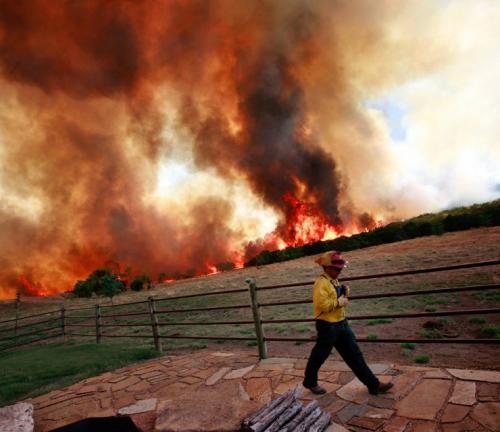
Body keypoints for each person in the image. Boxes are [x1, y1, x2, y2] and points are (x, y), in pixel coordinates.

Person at [303, 251, 394, 395]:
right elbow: (323, 305)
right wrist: (339, 302)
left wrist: (344, 293)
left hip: (341, 323)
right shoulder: (321, 283)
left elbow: (335, 299)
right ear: (326, 267)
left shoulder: (333, 281)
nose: (339, 272)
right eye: (336, 269)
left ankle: (373, 385)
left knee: (354, 355)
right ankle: (310, 382)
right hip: (327, 326)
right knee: (319, 355)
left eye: (340, 269)